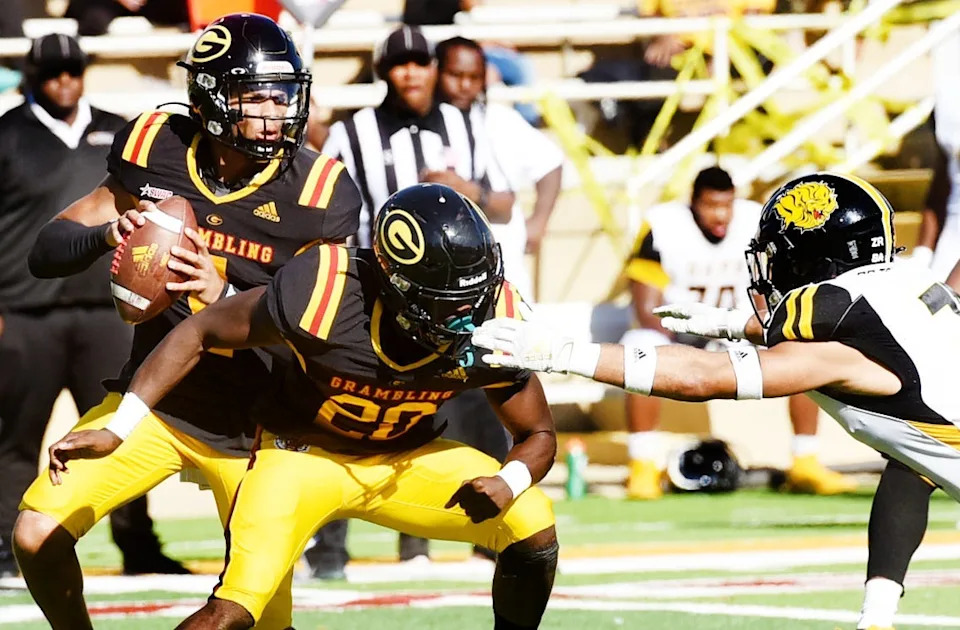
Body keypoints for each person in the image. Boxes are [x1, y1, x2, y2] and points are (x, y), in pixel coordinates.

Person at [49, 184, 559, 630]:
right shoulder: (329, 290)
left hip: (404, 462)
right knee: (237, 609)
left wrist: (508, 481)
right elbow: (199, 331)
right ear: (397, 285)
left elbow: (538, 434)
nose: (468, 312)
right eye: (447, 298)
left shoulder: (495, 316)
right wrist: (120, 428)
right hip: (299, 459)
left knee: (532, 521)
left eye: (473, 290)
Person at [473, 172, 956, 630]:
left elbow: (705, 376)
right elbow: (910, 461)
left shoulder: (839, 341)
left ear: (814, 259)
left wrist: (565, 352)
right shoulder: (906, 285)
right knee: (906, 462)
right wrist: (732, 323)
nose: (773, 270)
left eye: (782, 256)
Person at [12, 14, 360, 630]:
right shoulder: (157, 144)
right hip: (158, 405)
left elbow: (326, 332)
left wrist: (223, 292)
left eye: (284, 96)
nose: (277, 113)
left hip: (262, 426)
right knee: (37, 534)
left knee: (255, 616)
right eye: (257, 96)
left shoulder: (321, 192)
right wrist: (105, 235)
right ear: (210, 97)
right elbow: (46, 250)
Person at [316, 23, 515, 569]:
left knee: (477, 403)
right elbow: (330, 212)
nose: (410, 72)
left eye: (420, 62)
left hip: (456, 298)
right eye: (399, 63)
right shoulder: (351, 132)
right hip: (377, 297)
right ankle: (329, 549)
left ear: (434, 68)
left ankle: (485, 532)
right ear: (384, 71)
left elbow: (504, 203)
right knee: (345, 409)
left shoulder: (465, 123)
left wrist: (471, 191)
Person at [0, 32, 183, 578]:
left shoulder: (116, 132)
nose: (64, 80)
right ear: (32, 75)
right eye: (53, 71)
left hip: (108, 307)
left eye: (73, 69)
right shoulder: (7, 133)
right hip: (24, 309)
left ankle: (139, 547)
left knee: (122, 432)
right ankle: (4, 551)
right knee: (15, 434)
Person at [621, 166, 855, 499]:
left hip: (737, 327)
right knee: (641, 345)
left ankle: (805, 460)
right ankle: (641, 465)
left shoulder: (754, 220)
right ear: (693, 202)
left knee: (801, 346)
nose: (721, 214)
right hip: (680, 331)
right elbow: (646, 308)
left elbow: (766, 292)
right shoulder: (662, 225)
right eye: (711, 205)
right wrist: (682, 352)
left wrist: (764, 331)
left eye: (726, 204)